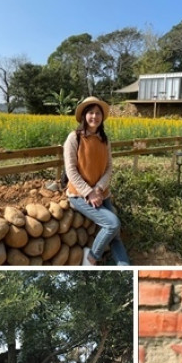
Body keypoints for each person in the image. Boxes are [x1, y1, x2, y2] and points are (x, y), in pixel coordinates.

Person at [64, 96, 130, 266]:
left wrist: (99, 189)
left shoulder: (104, 140)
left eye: (98, 113)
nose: (94, 117)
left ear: (102, 117)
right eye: (91, 113)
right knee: (113, 223)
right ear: (85, 116)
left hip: (102, 193)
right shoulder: (74, 138)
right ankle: (91, 258)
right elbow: (71, 170)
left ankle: (126, 268)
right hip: (79, 195)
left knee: (115, 235)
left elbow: (109, 168)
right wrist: (89, 192)